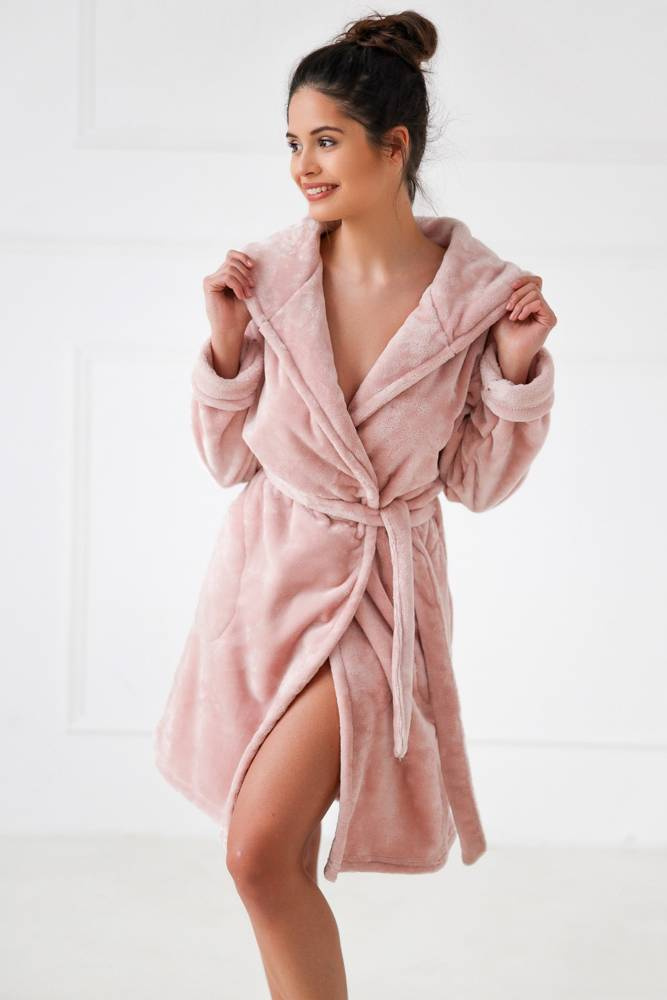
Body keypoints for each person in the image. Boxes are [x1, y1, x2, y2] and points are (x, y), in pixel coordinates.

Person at [154, 10, 557, 998]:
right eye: (293, 142)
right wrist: (223, 345)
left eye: (325, 141)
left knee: (256, 853)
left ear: (394, 146)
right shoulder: (269, 278)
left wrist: (513, 372)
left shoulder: (478, 301)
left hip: (378, 604)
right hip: (264, 586)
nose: (303, 165)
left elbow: (476, 482)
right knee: (273, 856)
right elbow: (227, 460)